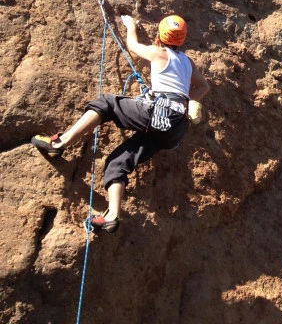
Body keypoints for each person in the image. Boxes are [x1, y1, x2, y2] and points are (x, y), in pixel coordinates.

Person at [31, 15, 210, 233]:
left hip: (160, 113)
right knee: (117, 163)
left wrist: (131, 26)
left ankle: (59, 143)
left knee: (106, 103)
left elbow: (132, 46)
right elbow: (203, 87)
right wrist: (186, 101)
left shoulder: (158, 52)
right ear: (182, 40)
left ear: (160, 35)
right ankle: (112, 216)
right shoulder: (187, 62)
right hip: (175, 129)